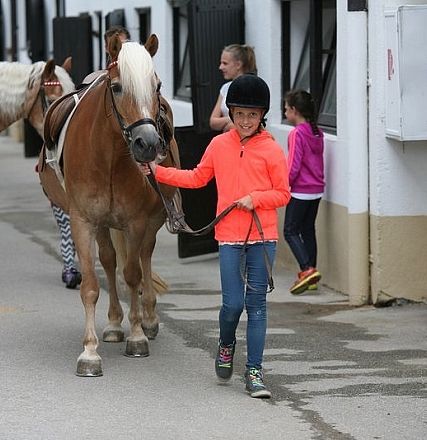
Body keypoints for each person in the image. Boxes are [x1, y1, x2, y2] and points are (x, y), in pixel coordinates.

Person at [141, 75, 290, 398]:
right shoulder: (219, 145)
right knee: (232, 305)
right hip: (229, 236)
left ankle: (254, 371)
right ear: (231, 113)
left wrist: (256, 198)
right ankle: (226, 343)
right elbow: (197, 178)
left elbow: (283, 194)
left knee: (258, 305)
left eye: (252, 115)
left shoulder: (272, 150)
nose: (245, 121)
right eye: (239, 114)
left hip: (263, 239)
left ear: (261, 115)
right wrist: (157, 171)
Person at [283, 89, 325, 295]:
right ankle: (312, 276)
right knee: (308, 230)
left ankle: (307, 269)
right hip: (316, 190)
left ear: (295, 110)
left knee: (290, 231)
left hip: (300, 191)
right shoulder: (317, 132)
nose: (284, 113)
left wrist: (284, 185)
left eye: (286, 109)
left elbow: (293, 165)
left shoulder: (297, 133)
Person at [209, 44, 257, 132]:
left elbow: (250, 122)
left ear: (238, 65)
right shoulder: (225, 88)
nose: (221, 67)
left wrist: (227, 123)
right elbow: (213, 122)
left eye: (225, 63)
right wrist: (231, 119)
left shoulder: (252, 87)